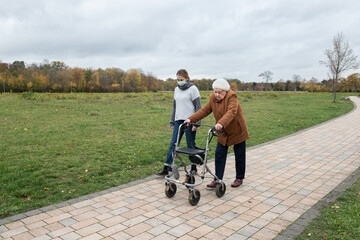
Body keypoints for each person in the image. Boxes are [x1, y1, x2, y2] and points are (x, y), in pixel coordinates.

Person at [185, 78, 249, 188]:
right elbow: (204, 110)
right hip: (223, 131)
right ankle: (217, 179)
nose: (217, 95)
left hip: (236, 130)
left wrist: (221, 123)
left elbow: (232, 111)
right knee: (219, 154)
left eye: (220, 92)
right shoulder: (212, 98)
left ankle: (239, 177)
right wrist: (191, 119)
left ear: (225, 91)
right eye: (215, 92)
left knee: (239, 155)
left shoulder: (232, 96)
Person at [156, 69, 201, 176]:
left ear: (187, 78)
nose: (179, 81)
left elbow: (198, 108)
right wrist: (172, 121)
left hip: (190, 121)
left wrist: (197, 123)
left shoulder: (193, 89)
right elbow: (175, 107)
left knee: (191, 145)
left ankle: (193, 168)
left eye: (181, 79)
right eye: (178, 79)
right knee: (173, 144)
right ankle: (167, 167)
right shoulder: (176, 89)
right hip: (178, 121)